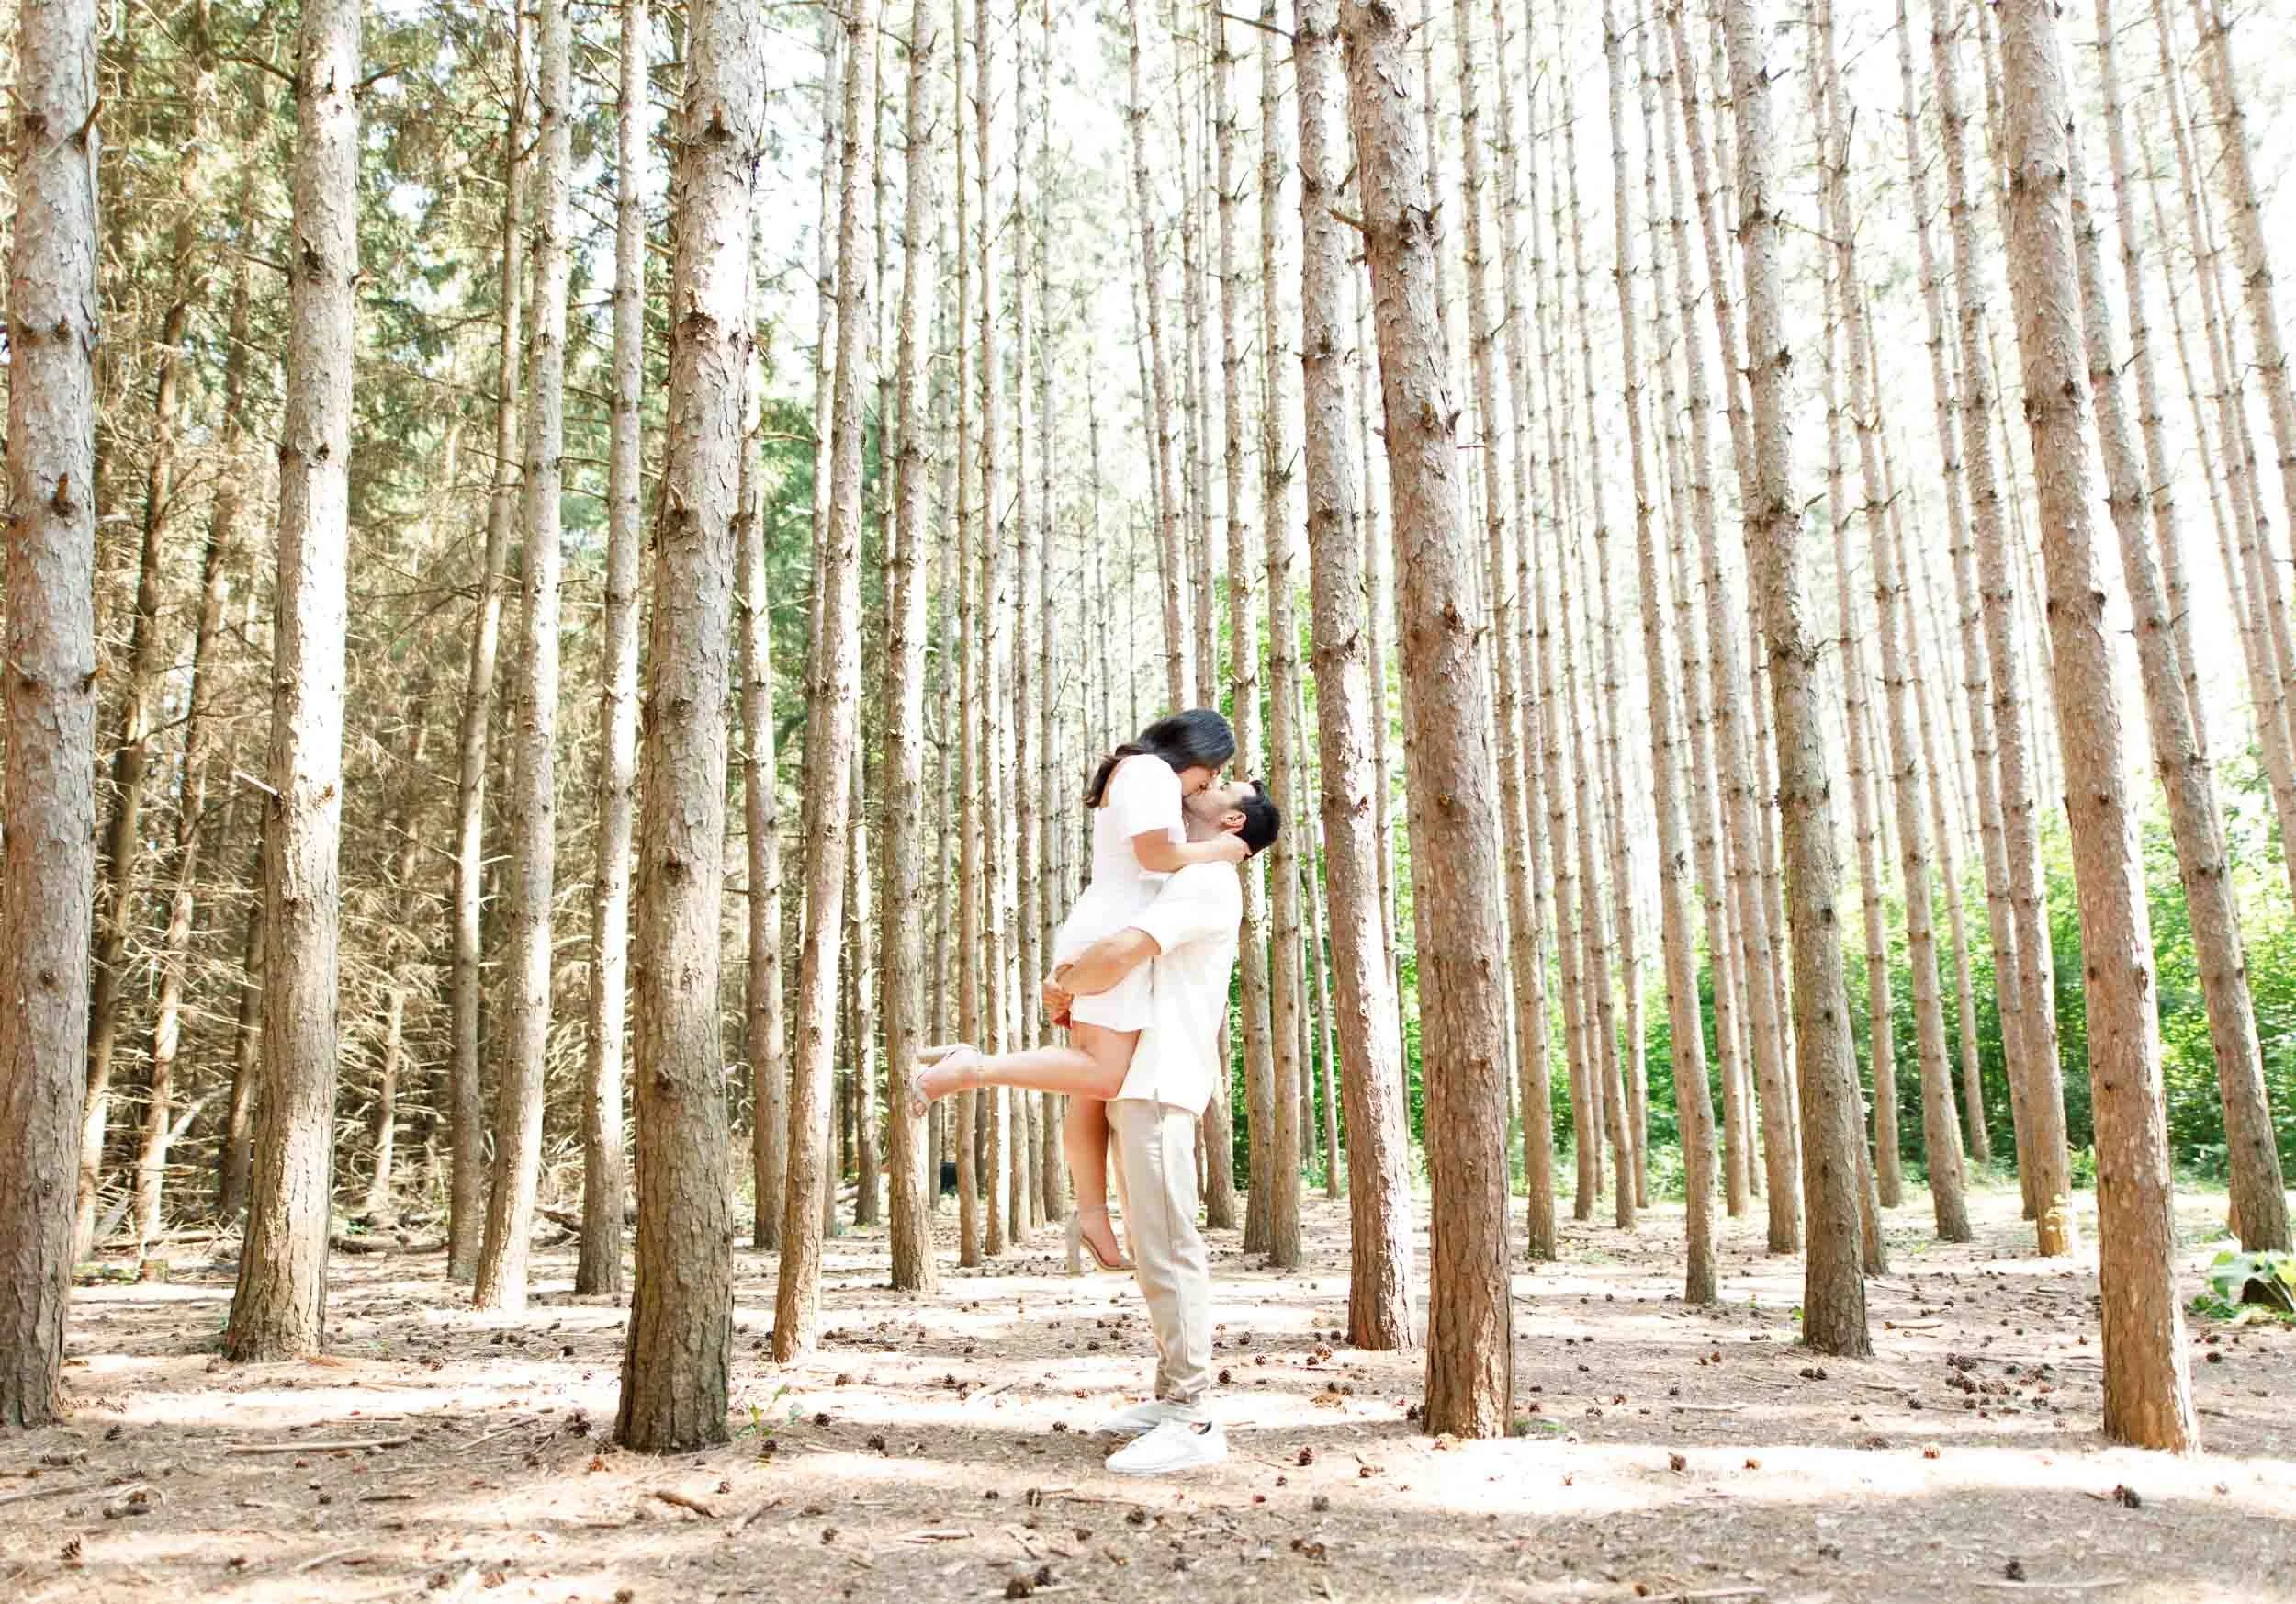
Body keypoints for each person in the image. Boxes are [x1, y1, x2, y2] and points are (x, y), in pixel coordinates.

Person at [912, 709, 1247, 1272]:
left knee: (1090, 1089)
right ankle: (971, 1066)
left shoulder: (1140, 774)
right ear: (1195, 753)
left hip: (1109, 925)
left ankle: (1091, 1216)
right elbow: (1155, 856)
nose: (1206, 786)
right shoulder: (1150, 774)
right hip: (1117, 932)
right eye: (1210, 774)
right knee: (1105, 1074)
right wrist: (1221, 851)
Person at [1042, 777, 1279, 1474]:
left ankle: (1196, 1415)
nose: (1197, 786)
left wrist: (1066, 985)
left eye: (1220, 786)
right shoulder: (1183, 874)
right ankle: (1173, 1395)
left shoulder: (1207, 884)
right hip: (1139, 1078)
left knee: (1171, 1249)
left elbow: (1121, 953)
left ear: (1231, 818)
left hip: (1161, 1080)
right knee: (1156, 1249)